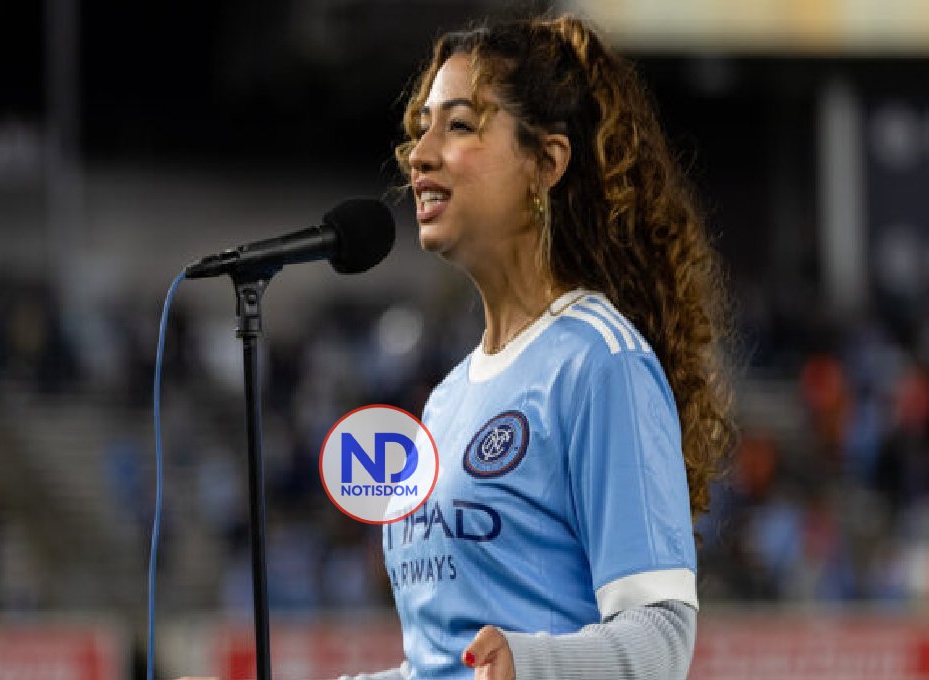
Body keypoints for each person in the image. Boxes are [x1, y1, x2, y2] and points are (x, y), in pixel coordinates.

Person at [179, 13, 733, 680]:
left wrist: (530, 663)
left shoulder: (600, 363)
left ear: (546, 163)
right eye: (422, 128)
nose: (419, 155)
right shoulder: (445, 401)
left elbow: (663, 639)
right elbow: (438, 667)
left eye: (460, 125)